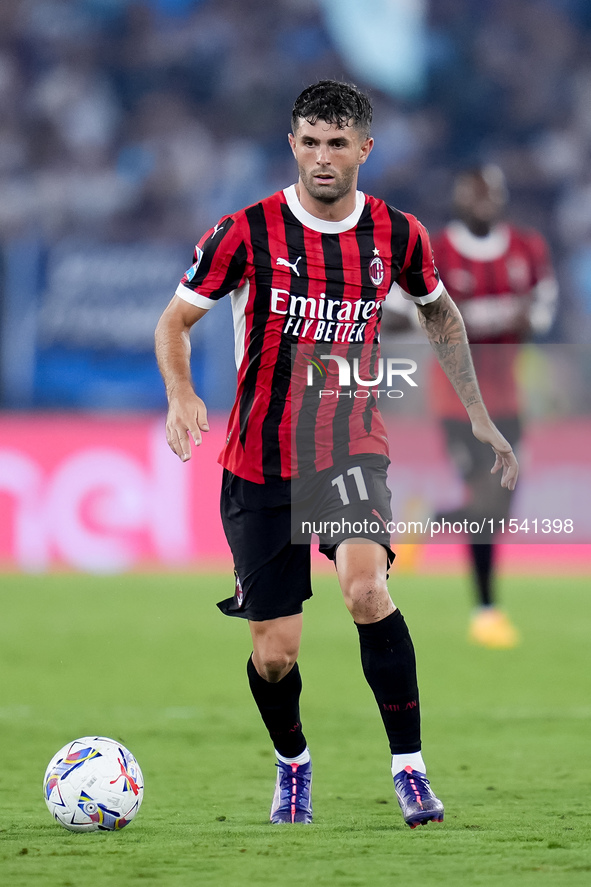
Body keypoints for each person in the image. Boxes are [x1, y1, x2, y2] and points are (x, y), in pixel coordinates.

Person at [155, 81, 518, 828]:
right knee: (275, 655)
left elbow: (440, 313)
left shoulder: (397, 234)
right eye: (309, 142)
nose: (322, 157)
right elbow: (174, 321)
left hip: (347, 443)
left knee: (364, 591)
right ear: (291, 145)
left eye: (337, 143)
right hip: (257, 460)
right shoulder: (243, 232)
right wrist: (181, 392)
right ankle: (293, 764)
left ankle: (410, 768)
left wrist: (477, 413)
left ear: (364, 149)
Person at [429, 165, 557, 649]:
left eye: (490, 196)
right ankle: (486, 611)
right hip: (455, 399)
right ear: (460, 198)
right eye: (473, 195)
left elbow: (542, 309)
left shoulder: (528, 248)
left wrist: (517, 319)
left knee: (498, 508)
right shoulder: (438, 249)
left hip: (507, 395)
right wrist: (499, 317)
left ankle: (431, 519)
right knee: (485, 501)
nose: (482, 204)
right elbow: (429, 317)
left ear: (502, 199)